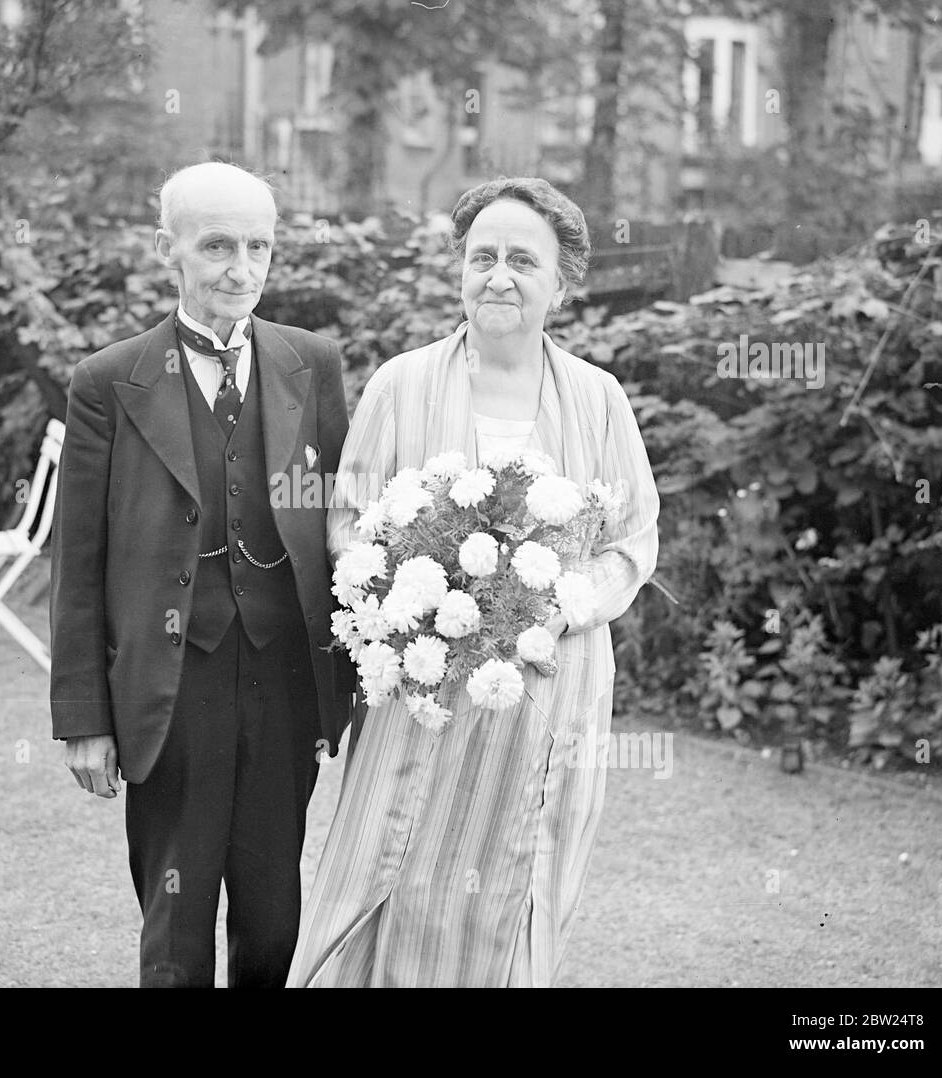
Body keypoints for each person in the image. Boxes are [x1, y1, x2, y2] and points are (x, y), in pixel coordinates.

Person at [287, 177, 660, 988]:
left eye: (523, 260)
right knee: (386, 865)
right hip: (421, 689)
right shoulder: (401, 384)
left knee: (513, 884)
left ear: (561, 284)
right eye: (481, 255)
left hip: (546, 694)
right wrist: (420, 598)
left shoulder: (600, 402)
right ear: (458, 270)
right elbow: (350, 521)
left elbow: (631, 545)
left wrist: (550, 607)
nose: (499, 275)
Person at [49, 161, 353, 988]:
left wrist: (352, 686)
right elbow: (77, 563)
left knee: (273, 919)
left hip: (286, 678)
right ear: (166, 251)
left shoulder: (311, 364)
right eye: (217, 245)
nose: (241, 267)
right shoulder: (108, 383)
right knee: (176, 929)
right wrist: (84, 714)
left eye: (259, 245)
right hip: (170, 685)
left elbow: (343, 531)